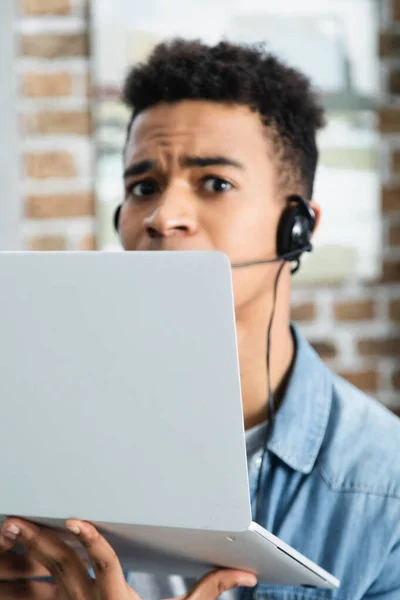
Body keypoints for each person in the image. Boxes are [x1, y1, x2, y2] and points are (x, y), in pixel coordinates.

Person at [1, 38, 400, 600]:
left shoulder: (385, 489)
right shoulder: (29, 443)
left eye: (215, 182)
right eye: (143, 188)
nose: (163, 217)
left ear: (298, 229)